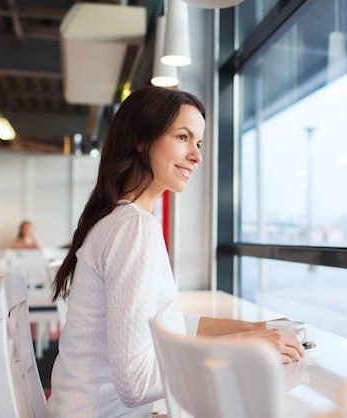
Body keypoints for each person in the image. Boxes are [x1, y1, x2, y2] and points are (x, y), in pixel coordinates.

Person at [47, 86, 304, 417]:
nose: (197, 155)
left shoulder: (123, 221)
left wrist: (256, 329)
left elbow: (166, 325)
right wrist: (247, 346)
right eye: (183, 137)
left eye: (198, 143)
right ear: (142, 139)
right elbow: (136, 384)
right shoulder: (133, 228)